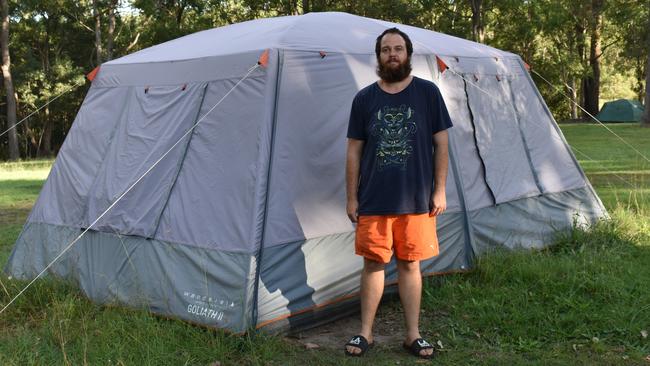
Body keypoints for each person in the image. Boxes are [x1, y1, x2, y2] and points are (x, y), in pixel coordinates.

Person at [343, 27, 453, 359]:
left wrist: (440, 190)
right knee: (374, 265)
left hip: (417, 200)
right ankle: (365, 333)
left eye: (399, 49)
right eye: (386, 49)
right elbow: (353, 152)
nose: (393, 54)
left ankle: (412, 335)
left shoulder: (427, 93)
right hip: (374, 198)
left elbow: (442, 144)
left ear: (408, 54)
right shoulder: (364, 99)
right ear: (378, 57)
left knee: (410, 264)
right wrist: (351, 197)